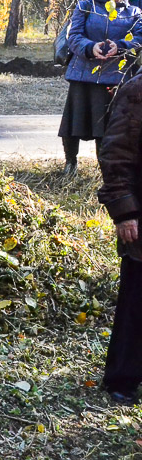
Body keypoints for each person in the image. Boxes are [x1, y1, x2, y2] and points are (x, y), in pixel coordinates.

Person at [59, 0, 142, 177]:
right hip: (83, 74)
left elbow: (139, 38)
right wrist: (90, 47)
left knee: (106, 128)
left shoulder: (134, 13)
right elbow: (74, 36)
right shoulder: (86, 7)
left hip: (114, 77)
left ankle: (105, 168)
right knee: (73, 123)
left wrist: (121, 46)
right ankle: (70, 164)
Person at [97, 75, 142, 406]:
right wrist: (124, 211)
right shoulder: (137, 91)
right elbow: (115, 153)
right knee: (136, 302)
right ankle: (123, 380)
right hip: (139, 218)